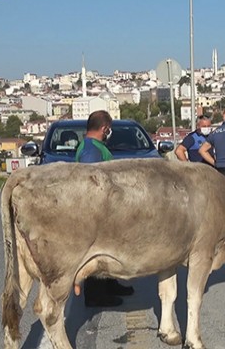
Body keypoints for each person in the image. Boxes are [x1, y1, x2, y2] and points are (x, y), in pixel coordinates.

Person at [75, 110, 134, 307]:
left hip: (106, 208)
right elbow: (91, 181)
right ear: (104, 128)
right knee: (97, 251)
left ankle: (110, 284)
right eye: (109, 129)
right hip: (97, 210)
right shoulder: (91, 150)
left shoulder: (96, 146)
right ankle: (96, 294)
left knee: (111, 248)